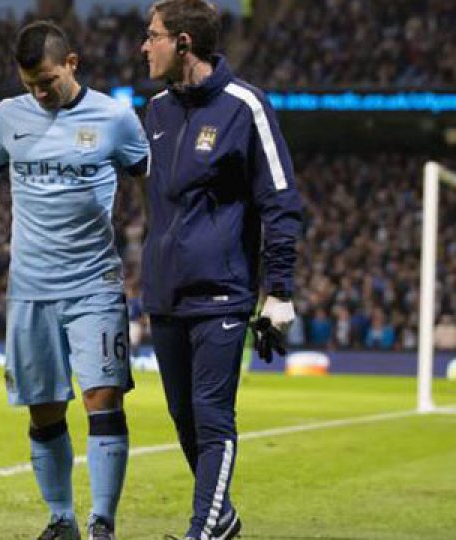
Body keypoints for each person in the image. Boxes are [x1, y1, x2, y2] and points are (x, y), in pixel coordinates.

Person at [0, 21, 149, 540]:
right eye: (30, 84)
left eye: (47, 81)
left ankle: (103, 522)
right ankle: (62, 519)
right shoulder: (7, 116)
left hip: (94, 283)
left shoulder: (115, 117)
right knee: (43, 410)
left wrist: (160, 240)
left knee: (102, 399)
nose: (39, 93)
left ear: (72, 64)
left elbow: (147, 179)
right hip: (30, 287)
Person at [139, 1, 303, 538]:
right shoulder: (155, 110)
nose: (145, 46)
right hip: (165, 294)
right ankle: (223, 517)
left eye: (154, 35)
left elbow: (280, 200)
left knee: (212, 415)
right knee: (183, 416)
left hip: (222, 294)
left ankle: (203, 530)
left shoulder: (246, 106)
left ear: (183, 43)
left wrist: (279, 291)